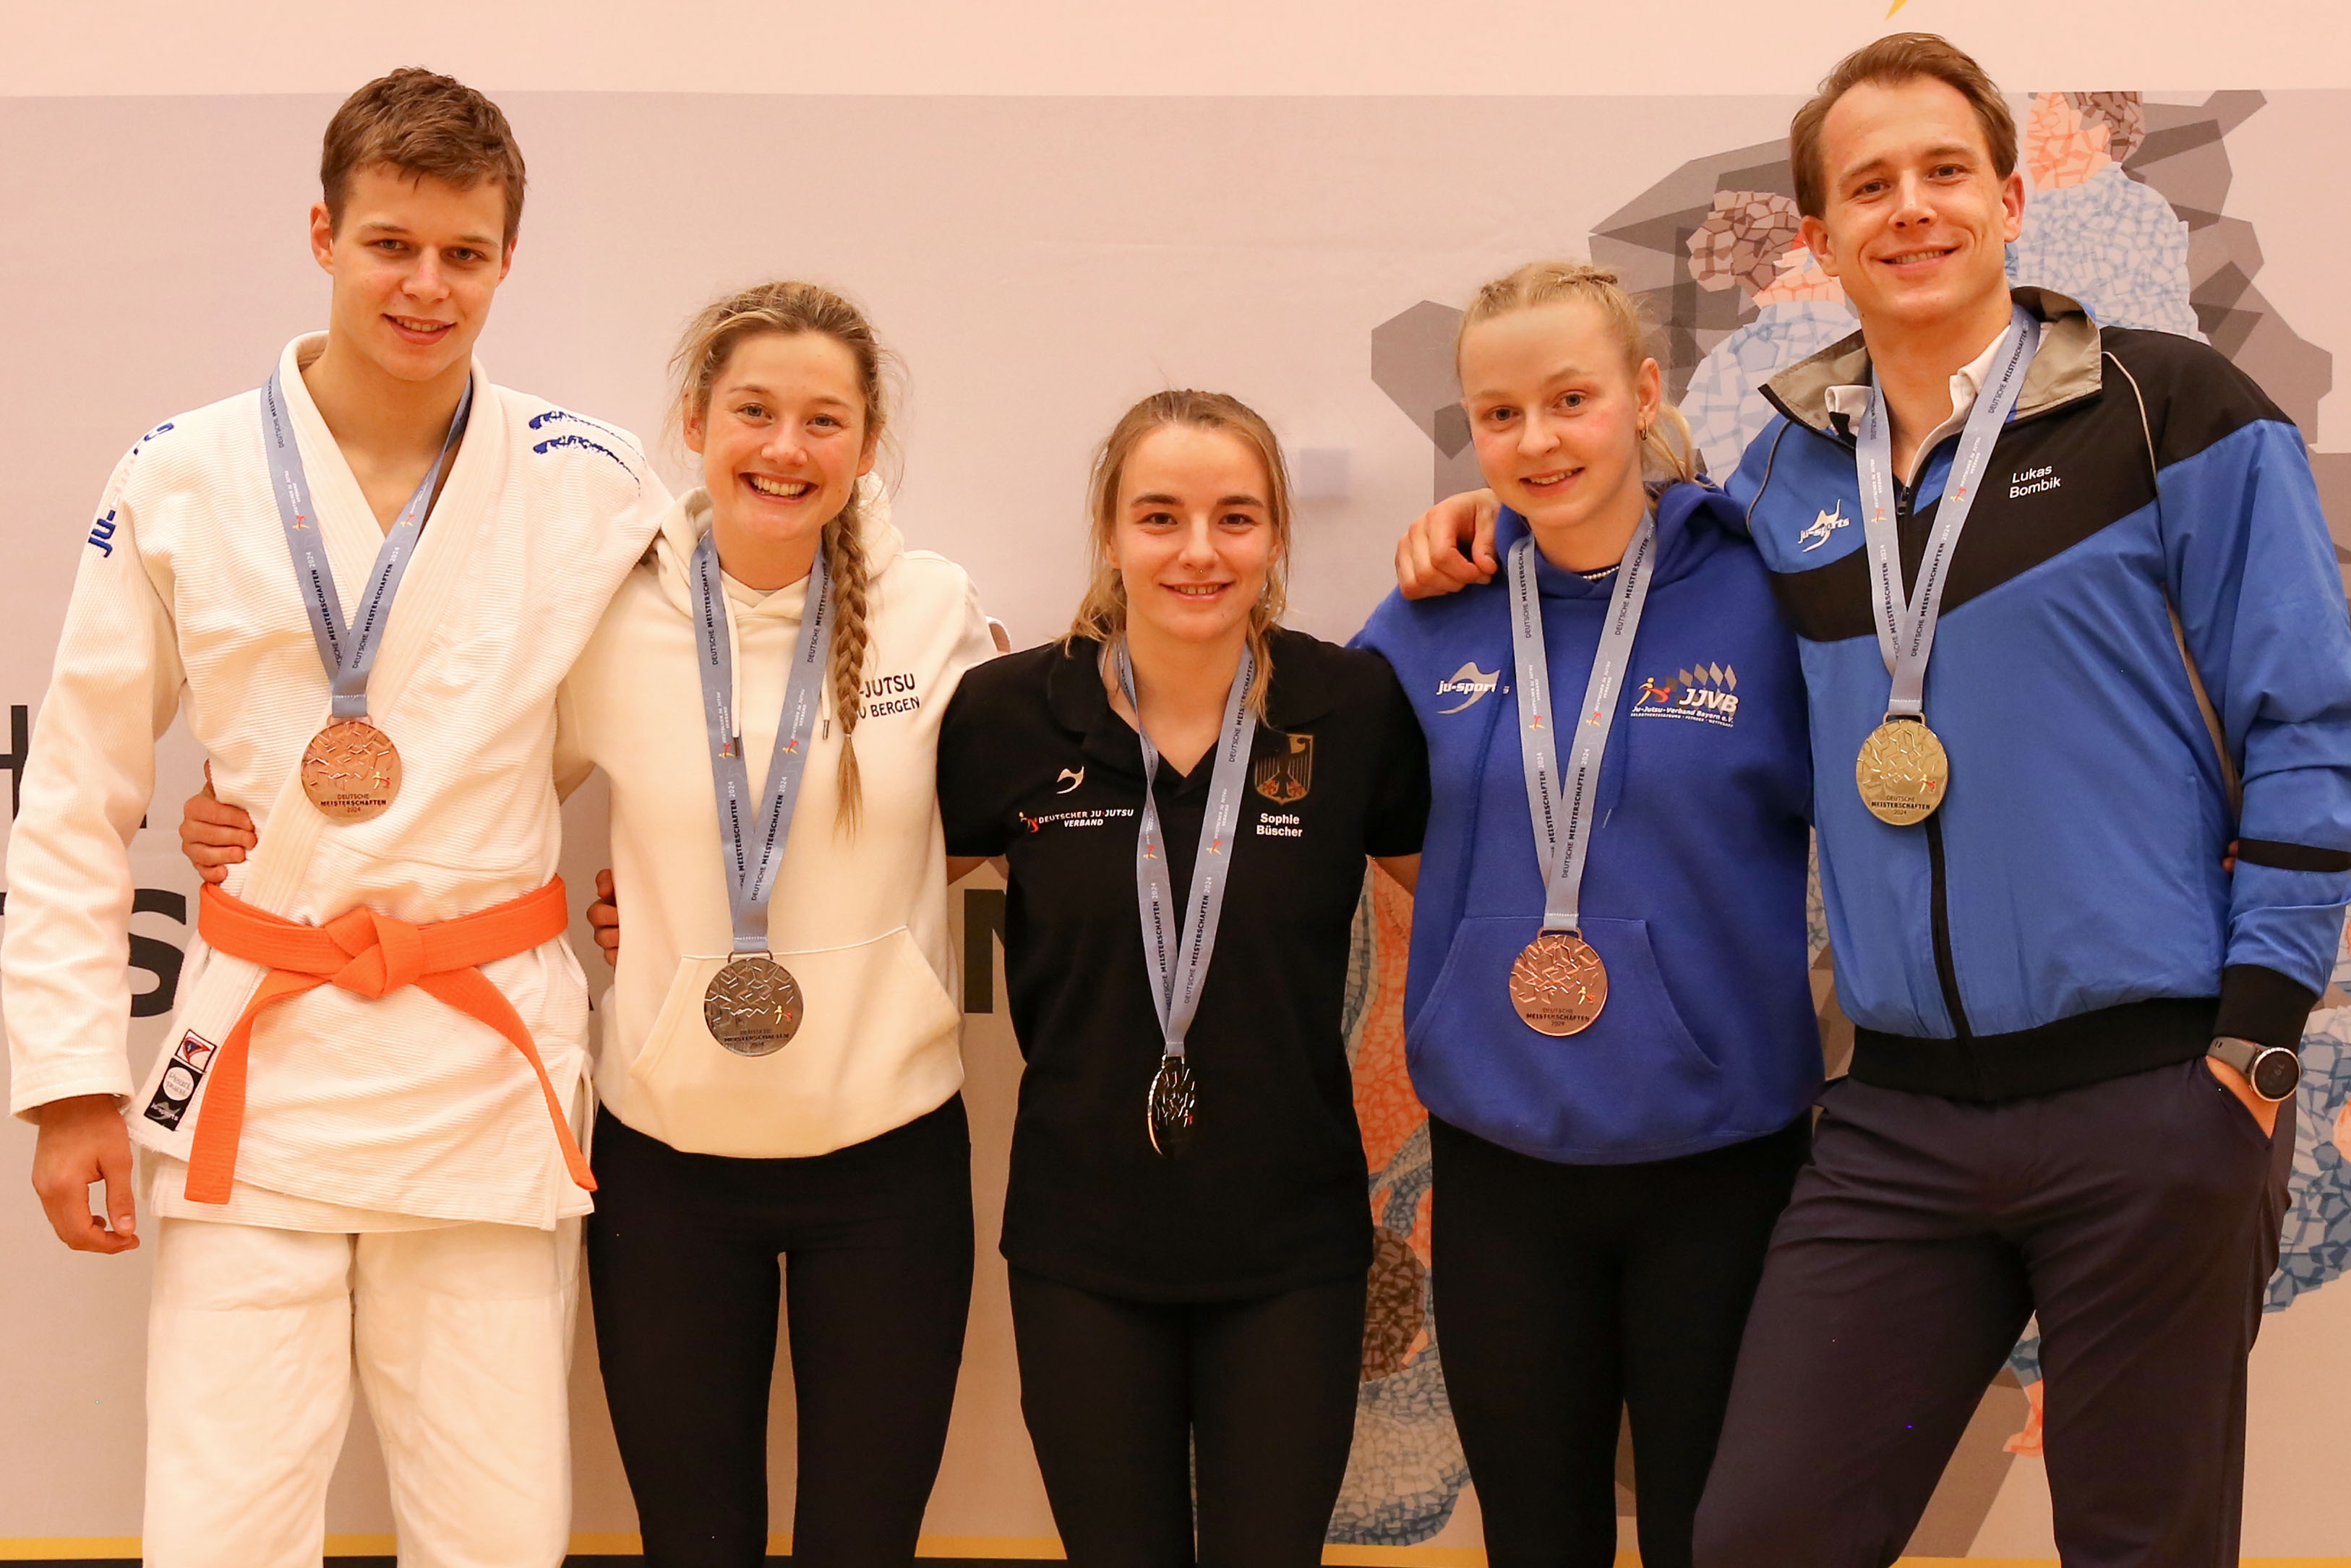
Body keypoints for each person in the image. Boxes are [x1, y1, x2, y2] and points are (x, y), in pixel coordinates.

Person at [1392, 33, 2351, 1566]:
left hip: (2155, 1091)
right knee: (1760, 1532)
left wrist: (2252, 1040)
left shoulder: (2174, 409)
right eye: (1868, 185)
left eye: (1944, 171)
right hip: (1898, 1115)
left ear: (2013, 194)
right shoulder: (1782, 477)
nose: (1910, 208)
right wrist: (1493, 518)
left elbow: (2313, 718)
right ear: (1821, 238)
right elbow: (1625, 541)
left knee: (2142, 1541)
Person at [179, 280, 998, 1567]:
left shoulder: (939, 609)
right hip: (667, 1158)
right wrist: (257, 826)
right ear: (695, 420)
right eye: (755, 411)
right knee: (693, 1538)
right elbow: (448, 792)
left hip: (888, 1157)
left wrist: (843, 923)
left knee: (865, 1542)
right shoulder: (612, 610)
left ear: (868, 443)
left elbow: (1013, 809)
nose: (786, 448)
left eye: (823, 420)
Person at [4, 70, 668, 1567]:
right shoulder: (180, 473)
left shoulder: (593, 478)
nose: (426, 287)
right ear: (321, 232)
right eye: (390, 243)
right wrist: (63, 1083)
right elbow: (76, 793)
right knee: (218, 1534)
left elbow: (684, 718)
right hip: (261, 1057)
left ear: (509, 257)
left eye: (465, 252)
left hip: (478, 1065)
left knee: (495, 1535)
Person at [1353, 261, 1817, 1568]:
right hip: (1505, 1165)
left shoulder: (1759, 591)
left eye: (1571, 397)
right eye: (1499, 414)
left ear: (1644, 392)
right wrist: (1495, 932)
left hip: (1722, 1160)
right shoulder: (1429, 612)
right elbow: (1384, 828)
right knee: (1536, 1536)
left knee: (1713, 1536)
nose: (1538, 439)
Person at [934, 390, 1429, 1566]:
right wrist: (660, 908)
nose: (1199, 552)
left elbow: (1472, 896)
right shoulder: (1011, 713)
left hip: (1293, 1250)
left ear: (1276, 538)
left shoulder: (1349, 707)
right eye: (1160, 516)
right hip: (1081, 1245)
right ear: (1109, 533)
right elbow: (858, 891)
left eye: (1236, 518)